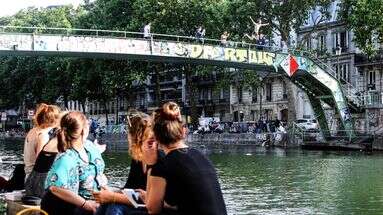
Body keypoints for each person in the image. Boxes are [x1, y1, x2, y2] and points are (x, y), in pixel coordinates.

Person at [141, 102, 227, 215]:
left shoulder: (163, 165)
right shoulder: (200, 155)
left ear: (156, 137)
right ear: (183, 132)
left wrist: (151, 164)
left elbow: (152, 209)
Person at [94, 111, 161, 215]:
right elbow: (130, 188)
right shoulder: (138, 158)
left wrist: (113, 197)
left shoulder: (159, 159)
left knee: (113, 206)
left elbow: (154, 200)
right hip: (140, 203)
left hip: (153, 208)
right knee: (107, 204)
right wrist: (110, 192)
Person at [41, 111, 107, 215]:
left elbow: (98, 172)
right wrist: (86, 204)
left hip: (96, 199)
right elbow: (54, 188)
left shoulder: (90, 147)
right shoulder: (66, 157)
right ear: (84, 130)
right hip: (72, 205)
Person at [24, 105, 62, 198]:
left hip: (28, 177)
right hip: (37, 181)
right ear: (55, 120)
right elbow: (40, 163)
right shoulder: (43, 136)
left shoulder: (32, 131)